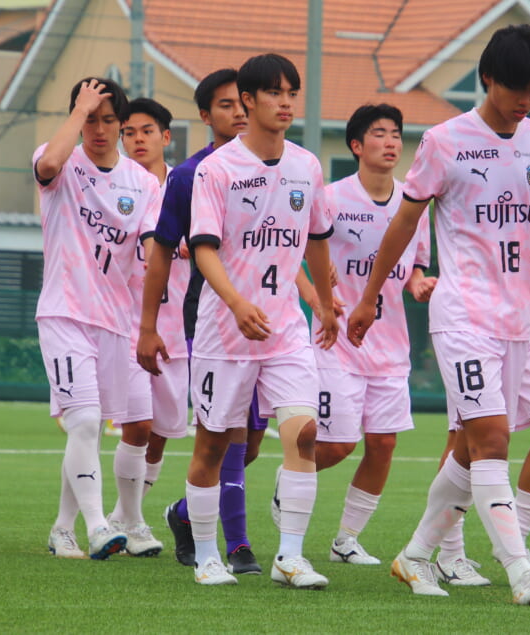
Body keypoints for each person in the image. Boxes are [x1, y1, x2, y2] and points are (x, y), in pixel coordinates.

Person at [345, 25, 530, 605]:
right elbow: (405, 222)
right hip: (462, 315)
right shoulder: (445, 141)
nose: (525, 99)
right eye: (516, 87)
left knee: (467, 448)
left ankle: (415, 556)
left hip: (520, 318)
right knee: (489, 439)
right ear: (488, 78)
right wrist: (369, 296)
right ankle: (521, 569)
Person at [180, 53, 336, 586]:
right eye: (273, 92)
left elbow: (316, 240)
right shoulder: (217, 169)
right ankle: (206, 557)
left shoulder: (307, 166)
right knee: (213, 445)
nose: (285, 102)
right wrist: (236, 303)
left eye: (291, 92)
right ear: (248, 101)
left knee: (304, 433)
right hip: (225, 333)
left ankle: (289, 557)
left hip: (284, 330)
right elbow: (204, 249)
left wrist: (324, 304)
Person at [433, 114, 530, 589]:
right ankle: (449, 553)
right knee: (466, 439)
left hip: (529, 317)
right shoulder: (475, 173)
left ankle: (515, 544)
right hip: (474, 320)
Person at [137, 68, 265, 575]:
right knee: (226, 433)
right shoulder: (190, 176)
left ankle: (186, 512)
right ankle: (238, 546)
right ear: (205, 115)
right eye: (226, 104)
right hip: (211, 320)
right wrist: (149, 327)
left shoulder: (277, 166)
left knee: (249, 441)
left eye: (242, 103)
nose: (238, 112)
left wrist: (319, 297)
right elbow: (161, 254)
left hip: (269, 321)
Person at [298, 104, 434, 565]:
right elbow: (299, 252)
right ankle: (291, 479)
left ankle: (346, 540)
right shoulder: (332, 198)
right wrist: (321, 287)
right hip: (336, 340)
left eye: (396, 133)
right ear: (356, 145)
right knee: (337, 444)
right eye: (379, 133)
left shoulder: (414, 204)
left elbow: (414, 267)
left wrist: (419, 284)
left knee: (383, 443)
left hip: (390, 345)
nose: (391, 142)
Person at [34, 77, 161, 560]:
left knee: (88, 429)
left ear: (121, 124)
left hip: (114, 323)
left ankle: (62, 528)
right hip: (64, 313)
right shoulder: (61, 160)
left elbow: (151, 242)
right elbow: (47, 165)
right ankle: (98, 527)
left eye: (109, 120)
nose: (99, 129)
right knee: (84, 421)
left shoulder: (143, 183)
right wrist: (79, 109)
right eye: (90, 119)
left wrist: (167, 255)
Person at [100, 96, 187, 557]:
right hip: (127, 324)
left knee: (160, 435)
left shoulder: (188, 185)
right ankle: (132, 522)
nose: (137, 139)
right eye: (128, 132)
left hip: (179, 331)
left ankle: (122, 516)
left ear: (165, 137)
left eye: (147, 131)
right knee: (139, 423)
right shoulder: (113, 186)